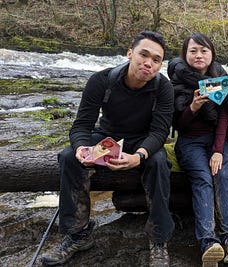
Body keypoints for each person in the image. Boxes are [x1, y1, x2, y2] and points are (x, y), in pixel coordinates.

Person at [41, 31, 175, 266]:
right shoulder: (102, 81)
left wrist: (138, 157)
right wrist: (82, 148)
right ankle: (77, 234)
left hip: (143, 141)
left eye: (155, 60)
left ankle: (159, 241)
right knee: (68, 157)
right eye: (143, 55)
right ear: (130, 53)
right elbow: (81, 125)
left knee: (159, 162)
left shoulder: (163, 88)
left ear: (159, 65)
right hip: (107, 136)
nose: (148, 63)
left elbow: (159, 132)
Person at [167, 32, 228, 267]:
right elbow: (179, 125)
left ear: (212, 54)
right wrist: (192, 107)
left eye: (204, 51)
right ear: (185, 54)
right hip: (189, 141)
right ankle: (208, 242)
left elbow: (224, 116)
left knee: (222, 175)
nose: (199, 55)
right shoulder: (176, 81)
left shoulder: (219, 77)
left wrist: (217, 149)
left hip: (217, 140)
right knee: (202, 178)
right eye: (193, 51)